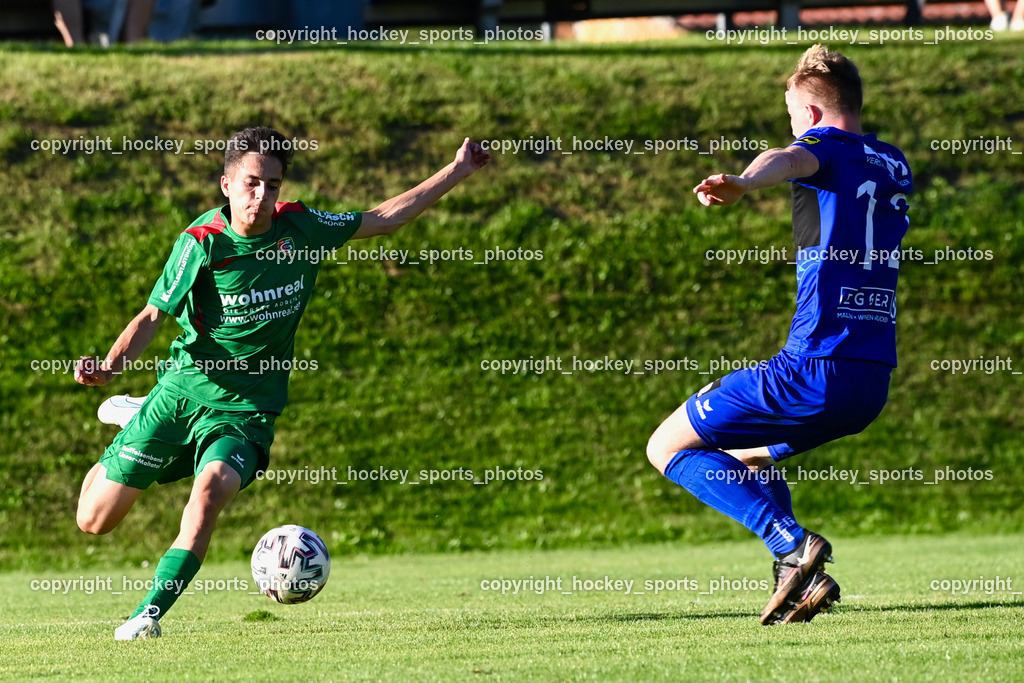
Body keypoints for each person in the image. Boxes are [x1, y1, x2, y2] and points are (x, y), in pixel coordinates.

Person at [74, 127, 490, 640]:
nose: (262, 195)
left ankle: (148, 614)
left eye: (272, 184)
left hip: (246, 412)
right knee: (94, 520)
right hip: (181, 394)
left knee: (207, 497)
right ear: (226, 185)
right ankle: (140, 414)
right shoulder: (201, 243)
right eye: (251, 182)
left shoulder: (300, 227)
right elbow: (152, 316)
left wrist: (458, 170)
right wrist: (110, 365)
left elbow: (385, 218)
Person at [646, 45, 912, 625]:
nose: (792, 126)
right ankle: (799, 578)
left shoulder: (821, 147)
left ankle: (791, 545)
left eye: (792, 114)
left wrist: (744, 181)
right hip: (871, 380)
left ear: (811, 114)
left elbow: (788, 160)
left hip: (814, 366)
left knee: (665, 448)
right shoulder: (893, 163)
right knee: (744, 458)